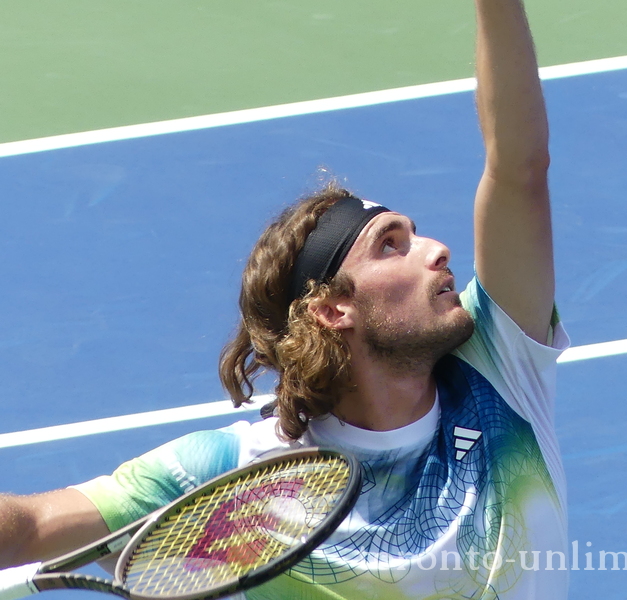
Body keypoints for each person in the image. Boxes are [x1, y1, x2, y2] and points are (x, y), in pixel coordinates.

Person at [0, 0, 569, 597]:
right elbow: (34, 525)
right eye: (391, 246)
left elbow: (519, 169)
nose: (438, 250)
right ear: (332, 309)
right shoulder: (233, 475)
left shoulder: (502, 372)